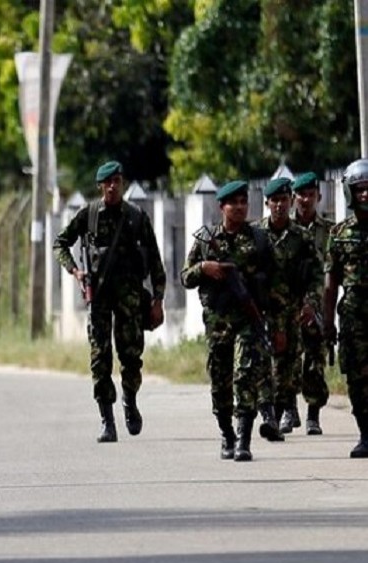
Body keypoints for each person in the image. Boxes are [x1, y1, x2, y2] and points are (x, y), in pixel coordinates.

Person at [54, 160, 166, 443]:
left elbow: (154, 260)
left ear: (123, 183)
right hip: (99, 299)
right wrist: (75, 271)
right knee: (99, 359)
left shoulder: (137, 217)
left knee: (131, 358)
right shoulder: (88, 215)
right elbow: (60, 243)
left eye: (118, 181)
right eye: (108, 182)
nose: (113, 186)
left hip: (129, 298)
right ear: (100, 186)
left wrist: (158, 301)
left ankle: (129, 401)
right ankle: (107, 420)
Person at [180, 180, 280, 461]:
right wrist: (204, 268)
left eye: (243, 202)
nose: (239, 207)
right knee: (220, 381)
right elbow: (185, 277)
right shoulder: (205, 240)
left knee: (244, 375)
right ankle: (227, 434)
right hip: (218, 324)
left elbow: (275, 284)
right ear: (221, 206)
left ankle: (244, 440)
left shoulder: (260, 240)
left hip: (249, 320)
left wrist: (277, 324)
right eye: (233, 202)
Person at [258, 177, 323, 440]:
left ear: (290, 201)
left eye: (284, 200)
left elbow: (317, 275)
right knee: (265, 365)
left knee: (289, 366)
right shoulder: (256, 235)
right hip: (264, 312)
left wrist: (311, 303)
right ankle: (269, 415)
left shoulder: (302, 237)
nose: (279, 205)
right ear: (267, 203)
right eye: (274, 201)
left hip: (293, 311)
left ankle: (284, 410)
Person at [323, 159, 368, 458]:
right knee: (357, 377)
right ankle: (366, 433)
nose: (365, 195)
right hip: (353, 316)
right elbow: (330, 283)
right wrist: (328, 326)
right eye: (360, 189)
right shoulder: (338, 233)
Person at [290, 171, 334, 434]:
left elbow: (332, 271)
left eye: (310, 195)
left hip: (316, 304)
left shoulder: (329, 230)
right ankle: (289, 409)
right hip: (288, 304)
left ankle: (313, 415)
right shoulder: (285, 228)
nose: (306, 200)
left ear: (318, 196)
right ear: (294, 198)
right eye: (301, 195)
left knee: (315, 361)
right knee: (287, 360)